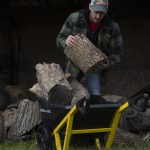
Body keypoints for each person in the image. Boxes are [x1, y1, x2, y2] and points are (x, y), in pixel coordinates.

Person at [56, 0, 123, 99]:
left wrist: (109, 63)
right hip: (74, 66)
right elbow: (59, 39)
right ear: (90, 7)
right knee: (68, 96)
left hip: (96, 68)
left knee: (96, 97)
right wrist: (65, 41)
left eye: (102, 13)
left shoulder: (113, 27)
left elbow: (118, 53)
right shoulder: (74, 18)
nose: (98, 16)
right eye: (96, 12)